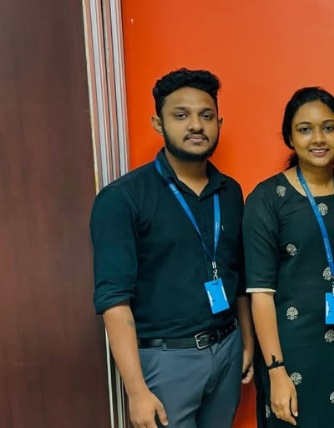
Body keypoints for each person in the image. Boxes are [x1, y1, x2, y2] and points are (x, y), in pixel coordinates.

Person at [91, 68, 254, 428]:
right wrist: (136, 391)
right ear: (158, 123)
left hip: (227, 349)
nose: (196, 125)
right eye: (181, 115)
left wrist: (246, 342)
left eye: (206, 115)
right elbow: (113, 301)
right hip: (166, 359)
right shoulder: (122, 198)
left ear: (219, 123)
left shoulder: (230, 192)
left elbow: (238, 273)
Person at [243, 87, 334, 427]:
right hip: (292, 349)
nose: (318, 138)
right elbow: (260, 293)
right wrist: (276, 371)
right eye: (305, 129)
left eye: (328, 127)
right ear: (289, 136)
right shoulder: (267, 199)